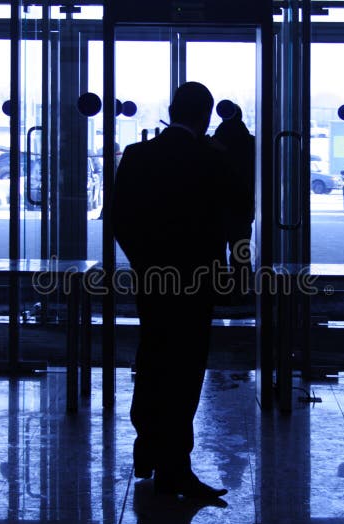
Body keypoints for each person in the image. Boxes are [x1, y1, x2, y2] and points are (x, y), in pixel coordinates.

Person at [112, 82, 230, 500]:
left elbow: (118, 219)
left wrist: (145, 263)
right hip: (195, 283)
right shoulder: (211, 160)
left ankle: (147, 449)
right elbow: (222, 225)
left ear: (170, 109)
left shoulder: (138, 155)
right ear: (207, 116)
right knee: (185, 371)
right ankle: (175, 466)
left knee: (153, 358)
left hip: (153, 280)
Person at [213, 104, 255, 297]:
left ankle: (219, 290)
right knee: (240, 251)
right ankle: (242, 289)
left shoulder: (216, 141)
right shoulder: (251, 143)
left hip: (217, 205)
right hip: (242, 204)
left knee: (216, 252)